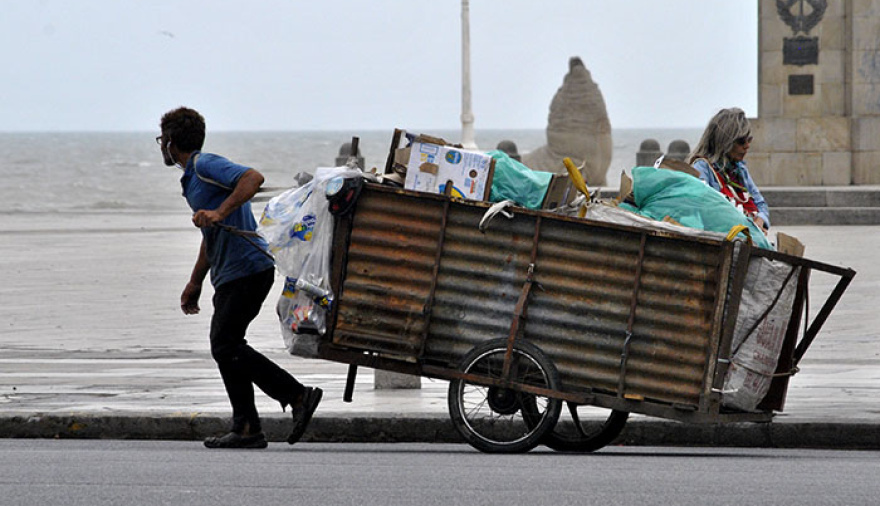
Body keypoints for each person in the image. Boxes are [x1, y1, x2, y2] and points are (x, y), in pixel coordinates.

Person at [158, 106, 322, 449]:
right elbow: (212, 234)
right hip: (230, 273)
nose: (162, 146)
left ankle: (296, 396)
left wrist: (219, 210)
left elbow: (253, 178)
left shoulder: (204, 164)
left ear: (171, 143)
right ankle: (246, 427)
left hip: (249, 268)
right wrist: (195, 281)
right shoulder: (192, 179)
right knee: (226, 346)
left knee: (225, 344)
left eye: (163, 139)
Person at [688, 107, 770, 234]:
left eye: (749, 140)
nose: (747, 146)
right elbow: (705, 209)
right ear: (724, 142)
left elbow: (761, 204)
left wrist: (759, 221)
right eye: (741, 141)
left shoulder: (740, 169)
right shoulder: (702, 168)